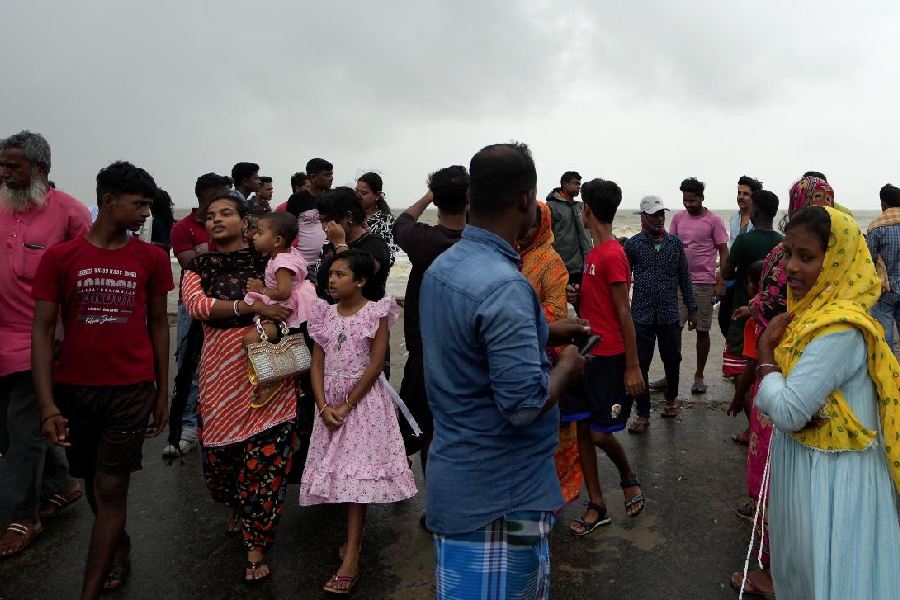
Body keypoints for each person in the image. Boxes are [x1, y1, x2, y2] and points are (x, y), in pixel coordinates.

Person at [420, 143, 586, 599]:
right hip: (500, 497)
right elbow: (523, 404)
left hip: (459, 480)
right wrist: (569, 364)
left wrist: (544, 330)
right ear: (524, 200)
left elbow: (468, 345)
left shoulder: (446, 266)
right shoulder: (504, 286)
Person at [32, 161, 172, 599]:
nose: (146, 213)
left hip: (130, 389)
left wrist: (162, 389)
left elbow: (158, 325)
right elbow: (41, 329)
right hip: (75, 389)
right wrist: (48, 405)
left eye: (149, 204)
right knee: (94, 482)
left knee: (111, 486)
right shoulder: (61, 257)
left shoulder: (150, 258)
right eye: (139, 204)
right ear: (108, 202)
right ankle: (119, 544)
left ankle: (89, 590)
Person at [750, 207, 900, 599]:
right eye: (788, 254)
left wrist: (765, 352)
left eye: (807, 257)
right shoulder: (809, 315)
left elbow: (786, 411)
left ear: (837, 261)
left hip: (833, 479)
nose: (792, 268)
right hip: (812, 465)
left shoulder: (839, 330)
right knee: (808, 570)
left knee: (830, 573)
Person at [181, 193, 298, 584]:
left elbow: (296, 300)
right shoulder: (197, 266)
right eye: (210, 216)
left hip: (268, 373)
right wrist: (251, 308)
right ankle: (237, 506)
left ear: (244, 221)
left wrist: (270, 315)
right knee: (221, 464)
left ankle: (256, 547)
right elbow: (198, 307)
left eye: (226, 213)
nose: (217, 220)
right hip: (218, 374)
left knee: (264, 463)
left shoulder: (270, 262)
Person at [298, 250, 417, 594]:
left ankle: (351, 555)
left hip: (362, 404)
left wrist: (347, 404)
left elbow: (376, 364)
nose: (332, 280)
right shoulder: (323, 314)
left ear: (361, 280)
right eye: (330, 274)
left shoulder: (375, 312)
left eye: (340, 274)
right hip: (329, 404)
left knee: (353, 480)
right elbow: (316, 363)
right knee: (338, 474)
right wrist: (322, 406)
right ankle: (351, 544)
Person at [0, 130, 90, 558]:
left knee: (23, 432)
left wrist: (66, 332)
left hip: (35, 344)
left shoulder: (70, 214)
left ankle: (23, 516)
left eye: (11, 166)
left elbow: (86, 278)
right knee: (11, 430)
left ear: (39, 168)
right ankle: (62, 484)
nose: (3, 173)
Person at [564, 178, 646, 537]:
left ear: (587, 211)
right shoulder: (595, 255)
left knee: (598, 434)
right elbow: (597, 306)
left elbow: (624, 313)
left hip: (609, 356)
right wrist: (577, 294)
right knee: (583, 429)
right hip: (586, 353)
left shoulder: (612, 254)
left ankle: (628, 476)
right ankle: (596, 503)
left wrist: (632, 366)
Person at [392, 166, 467, 476]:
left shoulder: (423, 241)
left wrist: (429, 195)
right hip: (466, 351)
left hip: (425, 351)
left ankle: (436, 498)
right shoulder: (478, 243)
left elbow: (402, 222)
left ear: (437, 200)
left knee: (424, 429)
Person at [517, 201, 584, 505]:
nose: (524, 230)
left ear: (543, 226)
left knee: (554, 432)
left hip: (544, 354)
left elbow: (556, 311)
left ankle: (554, 496)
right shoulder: (509, 254)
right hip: (515, 353)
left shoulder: (550, 261)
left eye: (532, 225)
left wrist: (514, 315)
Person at [165, 172, 232, 457]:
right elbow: (191, 264)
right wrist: (227, 261)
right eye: (217, 197)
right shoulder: (184, 228)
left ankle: (218, 422)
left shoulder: (231, 224)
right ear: (202, 196)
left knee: (225, 364)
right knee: (188, 365)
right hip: (191, 307)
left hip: (227, 304)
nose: (221, 205)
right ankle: (187, 427)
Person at [624, 195, 696, 432]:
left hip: (668, 313)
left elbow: (684, 277)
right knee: (641, 363)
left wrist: (692, 308)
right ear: (644, 216)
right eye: (654, 214)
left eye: (662, 213)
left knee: (672, 359)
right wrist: (621, 311)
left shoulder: (675, 244)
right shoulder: (632, 245)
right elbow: (623, 281)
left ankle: (671, 400)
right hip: (641, 314)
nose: (659, 218)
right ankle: (643, 413)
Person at [660, 178, 729, 395]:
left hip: (704, 283)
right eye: (685, 200)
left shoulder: (714, 220)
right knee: (673, 329)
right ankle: (670, 374)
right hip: (679, 282)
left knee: (702, 330)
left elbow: (724, 251)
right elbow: (670, 246)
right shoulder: (678, 218)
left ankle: (699, 376)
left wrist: (721, 279)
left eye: (692, 200)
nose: (688, 204)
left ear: (701, 198)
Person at [720, 189, 782, 379]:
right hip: (772, 312)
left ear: (754, 213)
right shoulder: (782, 242)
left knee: (741, 366)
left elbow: (727, 273)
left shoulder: (744, 240)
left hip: (744, 308)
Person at [242, 211, 316, 349]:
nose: (254, 236)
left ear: (277, 240)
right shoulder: (290, 252)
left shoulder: (281, 263)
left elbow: (284, 293)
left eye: (260, 232)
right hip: (300, 300)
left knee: (251, 339)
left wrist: (261, 289)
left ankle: (265, 369)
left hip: (285, 305)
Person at [315, 187, 391, 304]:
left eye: (329, 220)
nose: (325, 227)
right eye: (322, 221)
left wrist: (340, 244)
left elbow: (358, 273)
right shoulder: (331, 242)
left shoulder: (374, 244)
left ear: (349, 217)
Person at [719, 176, 762, 337]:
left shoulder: (758, 219)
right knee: (725, 317)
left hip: (750, 274)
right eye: (739, 193)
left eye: (746, 194)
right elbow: (731, 245)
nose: (741, 197)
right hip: (734, 274)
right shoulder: (734, 218)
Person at [547, 171, 592, 287]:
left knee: (583, 303)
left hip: (584, 266)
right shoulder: (551, 207)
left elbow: (592, 232)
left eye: (579, 184)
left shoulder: (581, 206)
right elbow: (545, 237)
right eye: (575, 183)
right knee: (560, 302)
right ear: (565, 184)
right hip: (562, 267)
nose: (579, 186)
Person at [868, 183, 900, 346]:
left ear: (884, 203)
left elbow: (870, 260)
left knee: (885, 336)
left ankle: (891, 368)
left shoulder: (876, 227)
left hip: (886, 289)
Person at [286, 158, 333, 268]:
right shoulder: (297, 199)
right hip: (302, 263)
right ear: (313, 177)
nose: (330, 178)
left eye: (331, 174)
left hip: (329, 262)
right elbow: (288, 230)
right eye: (326, 175)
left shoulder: (334, 198)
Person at [357, 172, 400, 265]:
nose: (358, 196)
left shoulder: (387, 221)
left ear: (377, 195)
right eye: (357, 192)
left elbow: (390, 258)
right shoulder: (350, 216)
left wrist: (368, 232)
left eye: (364, 193)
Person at [149, 188, 175, 253]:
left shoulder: (156, 222)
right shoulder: (168, 221)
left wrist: (151, 243)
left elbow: (168, 245)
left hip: (157, 257)